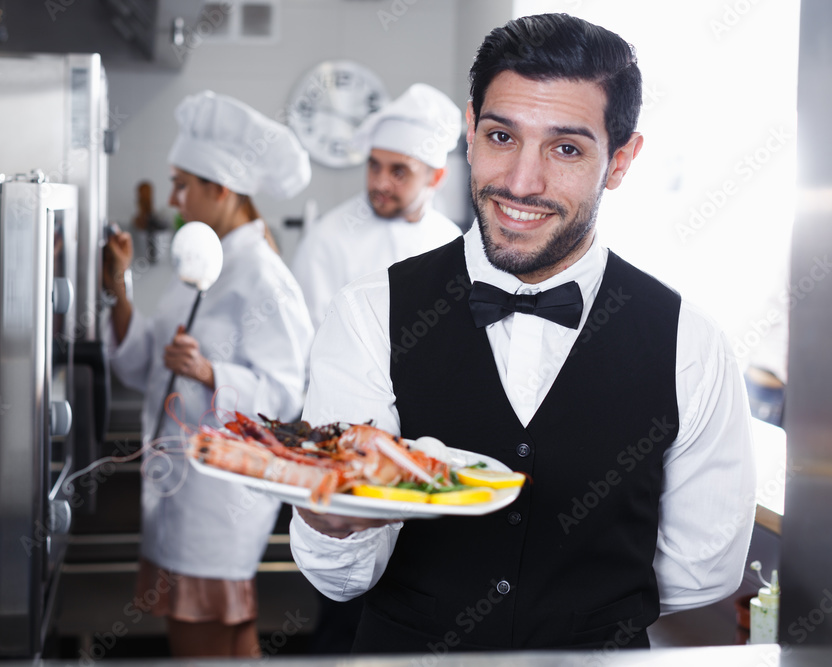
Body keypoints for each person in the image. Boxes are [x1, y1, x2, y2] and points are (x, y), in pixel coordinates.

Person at [289, 13, 756, 653]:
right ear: (470, 130)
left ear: (620, 161)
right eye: (502, 136)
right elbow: (338, 580)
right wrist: (332, 521)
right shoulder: (370, 313)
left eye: (566, 148)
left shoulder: (690, 344)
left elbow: (703, 568)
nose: (520, 182)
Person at [102, 90, 314, 658]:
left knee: (202, 637)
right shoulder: (204, 261)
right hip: (182, 485)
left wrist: (209, 371)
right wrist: (118, 289)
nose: (173, 199)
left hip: (220, 498)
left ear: (220, 190)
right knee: (223, 636)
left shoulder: (262, 276)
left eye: (182, 184)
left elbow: (287, 395)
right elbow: (150, 360)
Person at [291, 83, 463, 330]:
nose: (381, 183)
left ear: (435, 178)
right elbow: (307, 344)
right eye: (374, 166)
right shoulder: (327, 239)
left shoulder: (450, 240)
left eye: (399, 172)